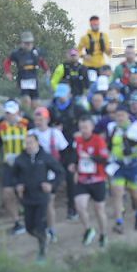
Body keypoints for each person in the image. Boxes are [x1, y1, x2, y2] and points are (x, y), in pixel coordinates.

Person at [12, 131, 64, 263]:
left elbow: (60, 172)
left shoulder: (45, 157)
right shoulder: (20, 159)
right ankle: (43, 238)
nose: (28, 146)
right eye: (27, 143)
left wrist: (51, 185)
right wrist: (17, 185)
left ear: (37, 143)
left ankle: (42, 251)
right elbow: (13, 176)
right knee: (29, 227)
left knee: (40, 224)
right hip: (27, 197)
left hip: (41, 196)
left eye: (31, 143)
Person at [0, 99, 31, 236]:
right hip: (9, 163)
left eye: (12, 113)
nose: (10, 116)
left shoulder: (26, 123)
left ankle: (30, 218)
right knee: (7, 194)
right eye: (8, 113)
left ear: (18, 112)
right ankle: (16, 222)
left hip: (25, 163)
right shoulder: (1, 125)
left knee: (25, 192)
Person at [48, 84, 87, 222]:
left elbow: (88, 121)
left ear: (70, 94)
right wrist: (52, 128)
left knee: (71, 178)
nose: (61, 98)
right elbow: (45, 124)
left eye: (63, 95)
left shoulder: (78, 108)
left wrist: (81, 131)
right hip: (56, 149)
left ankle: (72, 208)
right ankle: (47, 209)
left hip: (72, 148)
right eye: (59, 95)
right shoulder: (51, 108)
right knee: (53, 178)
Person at [70, 115, 109, 247]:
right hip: (83, 179)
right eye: (81, 127)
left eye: (86, 127)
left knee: (99, 210)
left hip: (98, 179)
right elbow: (76, 156)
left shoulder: (98, 140)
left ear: (92, 127)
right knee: (79, 205)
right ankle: (88, 229)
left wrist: (90, 157)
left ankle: (103, 234)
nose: (83, 130)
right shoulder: (78, 140)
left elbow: (104, 159)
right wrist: (73, 165)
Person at [30, 107, 69, 241]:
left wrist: (63, 171)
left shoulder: (55, 134)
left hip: (51, 173)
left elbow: (65, 152)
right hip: (34, 173)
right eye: (36, 119)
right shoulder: (31, 133)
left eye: (41, 119)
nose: (38, 122)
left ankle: (51, 229)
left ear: (47, 119)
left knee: (48, 202)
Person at [107, 105, 137, 234]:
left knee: (134, 192)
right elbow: (109, 143)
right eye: (117, 115)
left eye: (122, 115)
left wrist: (132, 150)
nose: (120, 118)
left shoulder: (136, 128)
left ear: (128, 116)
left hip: (132, 165)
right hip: (117, 164)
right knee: (117, 192)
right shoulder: (112, 127)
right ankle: (119, 221)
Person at [4, 31, 50, 104]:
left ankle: (32, 114)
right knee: (26, 100)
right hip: (23, 79)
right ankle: (24, 112)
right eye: (26, 43)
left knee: (36, 103)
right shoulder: (17, 53)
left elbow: (41, 61)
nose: (28, 45)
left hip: (34, 79)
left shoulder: (36, 52)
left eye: (30, 43)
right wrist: (8, 72)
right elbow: (7, 62)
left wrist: (47, 70)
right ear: (22, 43)